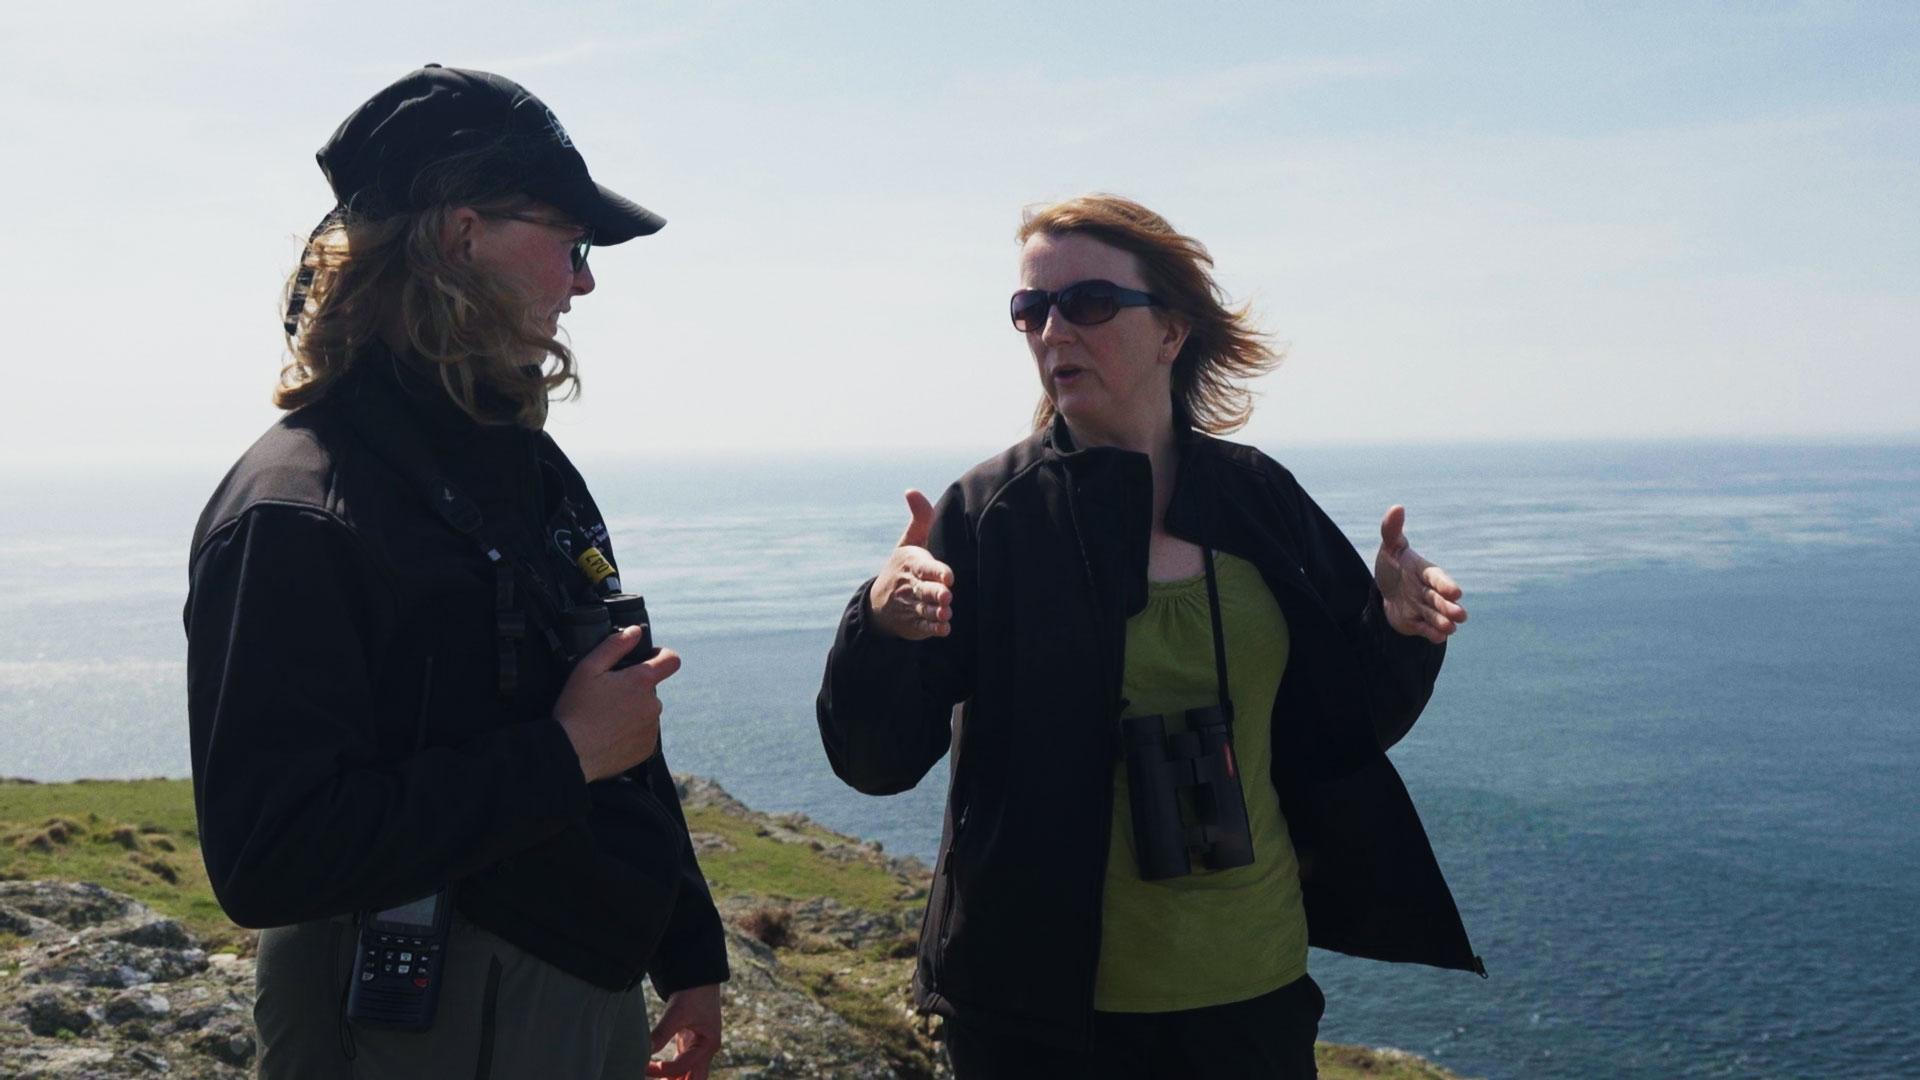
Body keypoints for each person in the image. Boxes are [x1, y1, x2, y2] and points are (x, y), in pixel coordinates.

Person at [816, 194, 1482, 1078]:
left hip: (1250, 991)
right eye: (1030, 309)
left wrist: (1397, 629)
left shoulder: (1258, 499)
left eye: (1087, 303)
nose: (1052, 329)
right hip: (1039, 1014)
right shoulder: (988, 516)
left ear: (1171, 331)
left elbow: (1344, 724)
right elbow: (873, 760)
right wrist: (883, 625)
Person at [184, 65, 727, 1079]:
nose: (585, 280)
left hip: (568, 999)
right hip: (406, 1025)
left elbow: (616, 708)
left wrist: (690, 956)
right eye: (570, 243)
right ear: (461, 235)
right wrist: (559, 757)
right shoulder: (297, 510)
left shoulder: (518, 460)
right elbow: (270, 858)